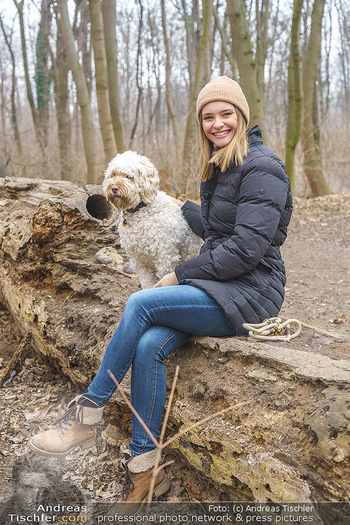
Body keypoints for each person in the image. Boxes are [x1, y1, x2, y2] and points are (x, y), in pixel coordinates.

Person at [29, 76, 292, 508]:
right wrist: (180, 208)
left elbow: (247, 248)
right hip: (221, 285)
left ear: (242, 117)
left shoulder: (262, 166)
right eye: (208, 116)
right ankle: (145, 470)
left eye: (226, 114)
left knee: (141, 302)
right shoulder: (222, 166)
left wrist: (179, 274)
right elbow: (221, 229)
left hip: (252, 292)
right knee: (149, 345)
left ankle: (87, 414)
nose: (217, 123)